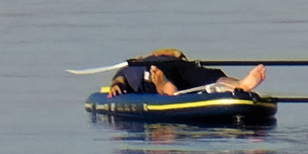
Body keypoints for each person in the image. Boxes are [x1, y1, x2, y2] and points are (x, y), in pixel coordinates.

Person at [108, 51, 268, 98]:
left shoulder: (133, 68)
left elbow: (119, 79)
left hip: (165, 69)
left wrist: (115, 85)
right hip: (180, 66)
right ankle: (240, 84)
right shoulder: (136, 66)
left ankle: (164, 87)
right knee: (211, 77)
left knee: (205, 76)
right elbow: (176, 52)